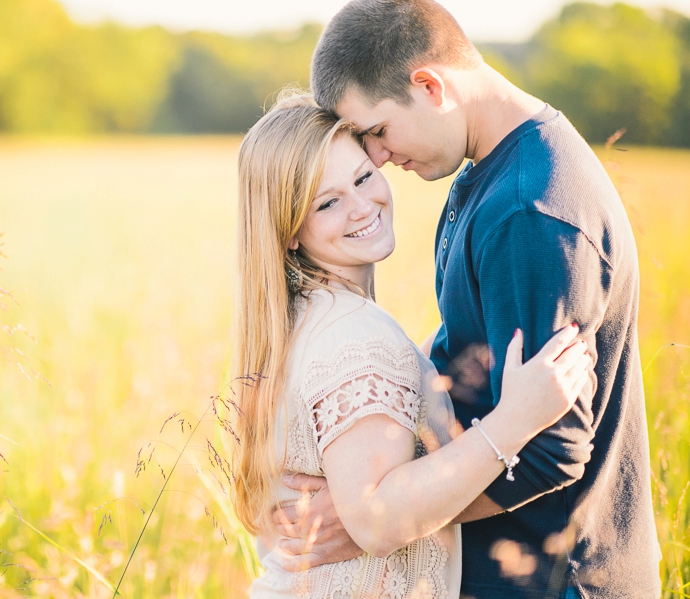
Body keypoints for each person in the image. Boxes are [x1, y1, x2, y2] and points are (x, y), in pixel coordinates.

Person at [273, 1, 662, 597]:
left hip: (560, 578)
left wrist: (374, 523)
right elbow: (469, 349)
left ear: (429, 85)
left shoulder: (529, 209)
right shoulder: (486, 177)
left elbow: (551, 449)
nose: (376, 157)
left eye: (377, 131)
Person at [234, 93, 591, 598]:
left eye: (362, 178)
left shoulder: (302, 318)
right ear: (290, 229)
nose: (362, 207)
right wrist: (515, 421)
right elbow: (377, 523)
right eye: (328, 202)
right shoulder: (356, 339)